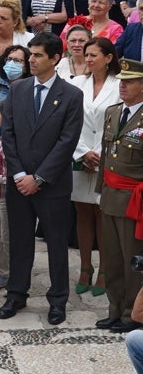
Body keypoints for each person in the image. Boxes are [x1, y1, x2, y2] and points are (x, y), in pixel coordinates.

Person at [0, 32, 85, 324]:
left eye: (37, 55)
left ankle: (58, 299)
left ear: (55, 58)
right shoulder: (18, 89)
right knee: (19, 241)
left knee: (57, 244)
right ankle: (16, 294)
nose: (30, 60)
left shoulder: (72, 95)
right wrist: (21, 174)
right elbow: (7, 135)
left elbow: (67, 142)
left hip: (53, 186)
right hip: (19, 183)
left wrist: (40, 177)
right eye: (30, 54)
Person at [70, 39, 121, 302]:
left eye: (93, 55)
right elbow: (70, 121)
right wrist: (82, 152)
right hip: (80, 156)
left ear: (108, 58)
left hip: (107, 156)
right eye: (86, 55)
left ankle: (104, 269)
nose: (88, 59)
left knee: (102, 212)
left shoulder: (119, 84)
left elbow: (121, 120)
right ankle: (85, 267)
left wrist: (99, 155)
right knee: (82, 211)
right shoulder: (77, 84)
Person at [98, 58, 143, 333]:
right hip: (110, 195)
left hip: (134, 201)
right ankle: (114, 308)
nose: (123, 86)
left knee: (132, 259)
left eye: (130, 82)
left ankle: (131, 314)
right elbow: (106, 156)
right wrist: (100, 192)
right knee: (112, 258)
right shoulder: (113, 112)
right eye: (122, 81)